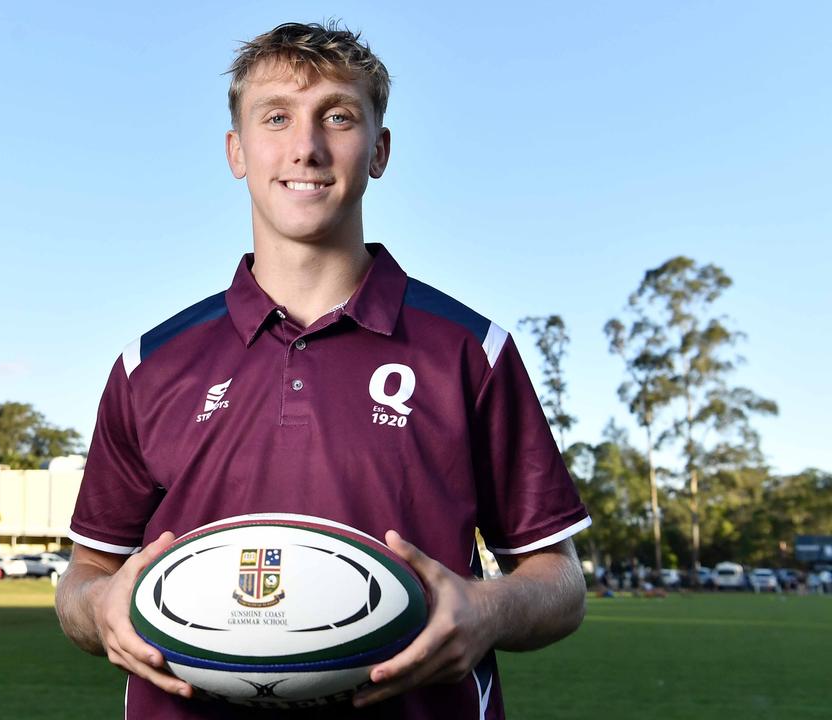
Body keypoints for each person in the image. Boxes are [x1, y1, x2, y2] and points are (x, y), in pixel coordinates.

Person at [55, 21, 590, 719]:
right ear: (237, 151)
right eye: (275, 117)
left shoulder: (470, 350)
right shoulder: (150, 364)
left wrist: (487, 610)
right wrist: (100, 609)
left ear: (379, 150)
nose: (305, 147)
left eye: (337, 117)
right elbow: (83, 576)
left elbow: (560, 582)